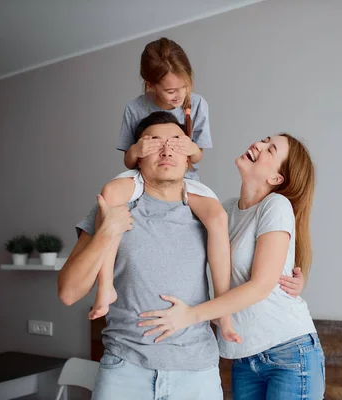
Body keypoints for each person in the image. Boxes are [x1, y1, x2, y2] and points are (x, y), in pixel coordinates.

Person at [58, 112, 238, 399]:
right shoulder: (112, 206)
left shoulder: (209, 214)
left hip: (196, 375)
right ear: (137, 158)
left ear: (189, 158)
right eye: (154, 143)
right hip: (124, 371)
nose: (166, 150)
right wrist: (107, 231)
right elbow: (68, 293)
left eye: (176, 143)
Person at [138, 134, 325, 399]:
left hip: (289, 353)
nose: (258, 145)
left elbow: (260, 287)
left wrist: (190, 315)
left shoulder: (275, 206)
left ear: (276, 178)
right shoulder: (224, 211)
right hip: (244, 357)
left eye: (270, 149)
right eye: (264, 139)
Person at [89, 38, 234, 347]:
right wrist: (138, 149)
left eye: (183, 87)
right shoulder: (134, 108)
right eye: (169, 91)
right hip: (143, 175)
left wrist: (190, 147)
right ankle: (105, 286)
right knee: (110, 196)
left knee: (218, 217)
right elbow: (128, 159)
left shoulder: (198, 104)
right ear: (149, 85)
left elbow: (197, 158)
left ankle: (223, 309)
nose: (178, 96)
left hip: (185, 180)